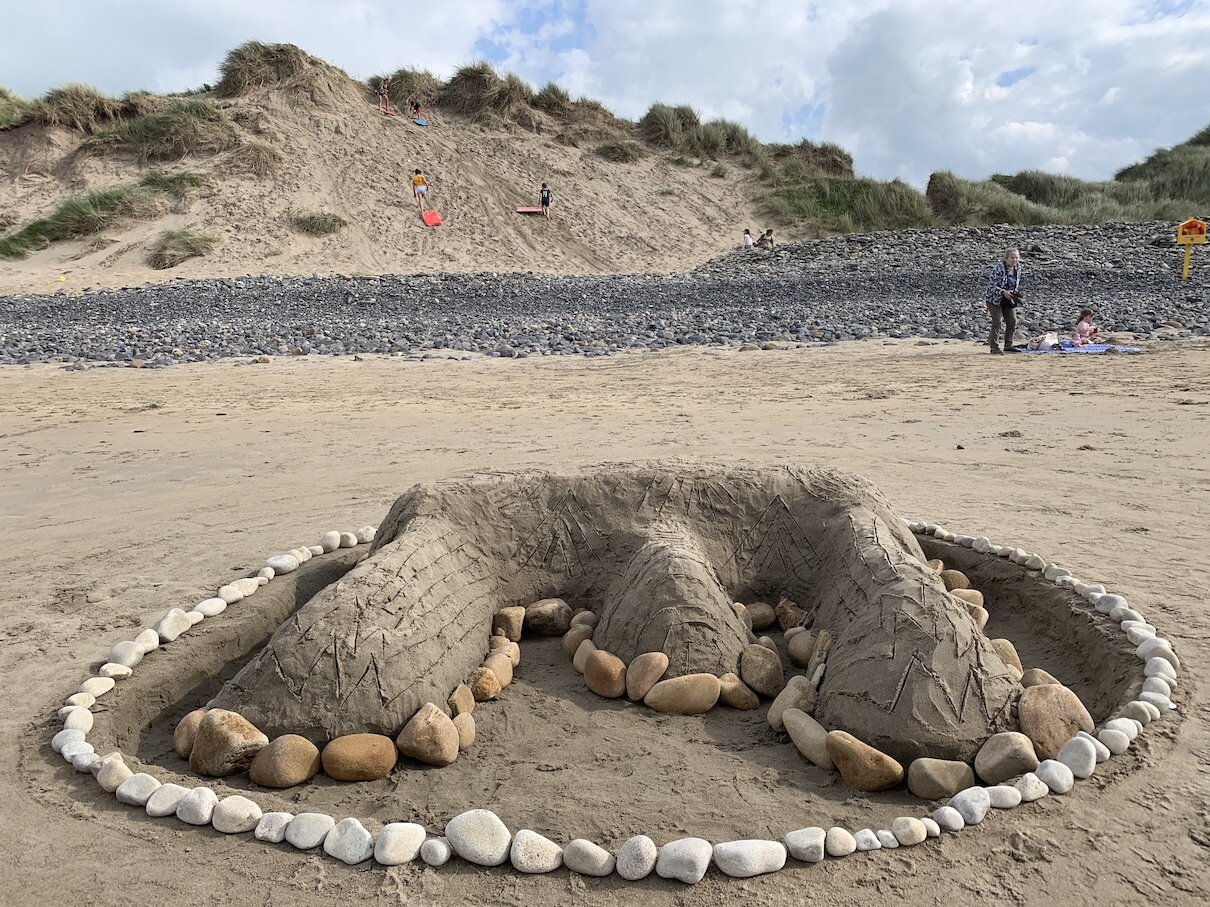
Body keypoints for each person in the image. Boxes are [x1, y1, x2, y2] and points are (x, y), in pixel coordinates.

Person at [985, 247, 1023, 353]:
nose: (1014, 260)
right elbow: (991, 286)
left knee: (1012, 321)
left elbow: (1015, 284)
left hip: (1008, 298)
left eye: (1016, 258)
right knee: (997, 321)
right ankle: (994, 347)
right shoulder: (999, 268)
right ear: (1006, 258)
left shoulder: (1018, 268)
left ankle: (1008, 345)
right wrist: (1003, 292)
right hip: (994, 298)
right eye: (1012, 258)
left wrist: (1014, 294)